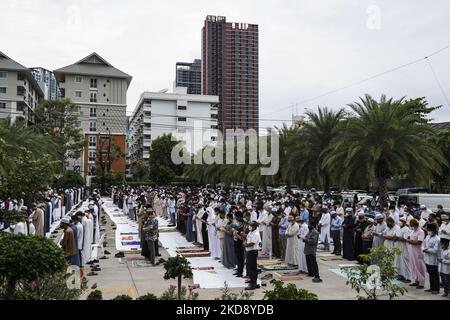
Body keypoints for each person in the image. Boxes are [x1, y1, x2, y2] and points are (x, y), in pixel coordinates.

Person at [406, 218, 427, 289]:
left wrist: (409, 241)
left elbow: (419, 242)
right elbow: (410, 238)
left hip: (417, 252)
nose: (411, 226)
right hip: (412, 251)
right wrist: (409, 238)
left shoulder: (421, 231)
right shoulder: (412, 231)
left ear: (415, 224)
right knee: (413, 266)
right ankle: (416, 280)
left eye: (412, 225)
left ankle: (421, 283)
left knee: (419, 267)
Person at [422, 223, 441, 294]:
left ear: (433, 230)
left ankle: (437, 289)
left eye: (429, 230)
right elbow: (423, 244)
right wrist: (423, 249)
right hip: (427, 258)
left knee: (435, 274)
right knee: (430, 274)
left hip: (434, 259)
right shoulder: (427, 236)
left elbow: (436, 250)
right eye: (428, 229)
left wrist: (427, 250)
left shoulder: (437, 239)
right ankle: (431, 287)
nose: (428, 231)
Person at [243, 221, 261, 290]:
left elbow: (252, 243)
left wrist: (245, 245)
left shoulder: (256, 233)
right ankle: (251, 280)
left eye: (250, 225)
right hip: (249, 251)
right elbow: (247, 238)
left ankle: (253, 284)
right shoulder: (251, 232)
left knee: (253, 267)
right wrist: (245, 242)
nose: (249, 226)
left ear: (254, 226)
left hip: (253, 251)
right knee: (249, 267)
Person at [396, 217, 411, 282]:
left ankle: (408, 277)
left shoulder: (406, 229)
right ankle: (402, 275)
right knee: (400, 261)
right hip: (399, 246)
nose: (400, 222)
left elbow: (405, 239)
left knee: (405, 262)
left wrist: (397, 238)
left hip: (404, 247)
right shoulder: (399, 228)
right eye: (399, 221)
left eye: (401, 221)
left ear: (404, 222)